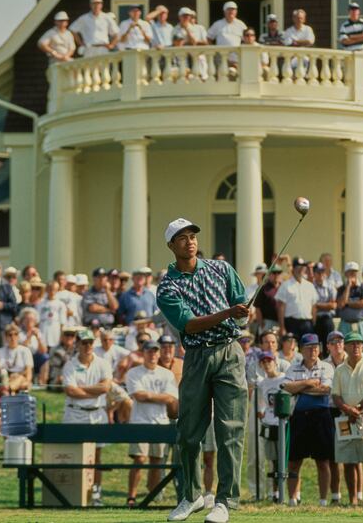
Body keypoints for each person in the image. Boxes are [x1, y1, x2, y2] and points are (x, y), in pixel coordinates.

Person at [157, 218, 248, 523]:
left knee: (230, 431)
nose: (190, 241)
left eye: (192, 236)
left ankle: (225, 501)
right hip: (195, 357)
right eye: (181, 238)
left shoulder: (221, 269)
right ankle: (192, 496)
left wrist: (243, 316)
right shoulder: (167, 287)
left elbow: (241, 305)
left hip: (229, 354)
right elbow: (190, 323)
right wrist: (228, 313)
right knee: (188, 432)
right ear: (171, 246)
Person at [331, 331, 363, 508]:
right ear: (345, 346)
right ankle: (353, 500)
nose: (356, 347)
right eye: (352, 343)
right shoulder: (339, 369)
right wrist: (348, 409)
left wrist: (357, 409)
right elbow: (336, 396)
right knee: (349, 460)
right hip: (347, 418)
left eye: (359, 343)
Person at [282, 334, 334, 507]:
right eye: (309, 347)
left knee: (323, 460)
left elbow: (325, 389)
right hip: (299, 417)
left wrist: (300, 388)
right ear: (301, 349)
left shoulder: (326, 367)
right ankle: (292, 499)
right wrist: (309, 382)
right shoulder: (292, 368)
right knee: (294, 461)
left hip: (321, 416)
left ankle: (323, 501)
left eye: (316, 347)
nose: (313, 350)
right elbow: (286, 387)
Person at [125, 340, 178, 507]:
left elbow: (171, 399)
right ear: (143, 353)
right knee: (139, 459)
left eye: (155, 351)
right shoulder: (134, 373)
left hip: (160, 422)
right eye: (149, 351)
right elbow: (138, 396)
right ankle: (131, 497)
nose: (153, 354)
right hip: (140, 422)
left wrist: (148, 396)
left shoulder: (167, 374)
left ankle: (152, 496)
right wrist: (158, 397)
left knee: (156, 461)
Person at [62, 327, 112, 505]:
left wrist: (81, 389)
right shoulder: (70, 365)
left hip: (97, 414)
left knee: (96, 456)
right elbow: (70, 391)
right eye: (84, 343)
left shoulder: (103, 363)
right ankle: (74, 491)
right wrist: (94, 391)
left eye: (90, 342)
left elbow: (106, 387)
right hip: (75, 413)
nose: (87, 346)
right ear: (77, 344)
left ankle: (96, 492)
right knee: (74, 454)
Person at [255, 351, 285, 502]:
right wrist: (261, 411)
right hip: (269, 423)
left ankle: (287, 493)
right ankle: (275, 493)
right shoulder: (262, 383)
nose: (267, 365)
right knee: (272, 461)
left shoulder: (284, 379)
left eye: (269, 361)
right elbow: (260, 400)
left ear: (275, 362)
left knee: (284, 460)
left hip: (282, 424)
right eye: (263, 362)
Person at [274, 257, 317, 341]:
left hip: (307, 323)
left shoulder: (310, 286)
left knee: (307, 348)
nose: (301, 268)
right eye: (298, 266)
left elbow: (314, 306)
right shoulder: (285, 285)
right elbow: (280, 307)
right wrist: (282, 327)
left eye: (303, 266)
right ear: (293, 268)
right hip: (291, 323)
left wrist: (313, 323)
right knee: (292, 349)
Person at [0, 323, 34, 394]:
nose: (13, 337)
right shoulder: (0, 351)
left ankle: (9, 389)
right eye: (10, 335)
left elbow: (29, 372)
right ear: (5, 337)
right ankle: (10, 390)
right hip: (5, 378)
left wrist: (18, 375)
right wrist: (10, 376)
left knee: (23, 382)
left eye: (16, 334)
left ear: (18, 336)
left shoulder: (25, 350)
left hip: (21, 378)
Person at [336, 262, 363, 337]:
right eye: (350, 272)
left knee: (362, 347)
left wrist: (347, 303)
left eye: (354, 272)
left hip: (360, 323)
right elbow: (341, 305)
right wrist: (348, 286)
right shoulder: (341, 289)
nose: (352, 274)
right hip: (345, 324)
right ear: (345, 274)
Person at [312, 263, 337, 347]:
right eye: (318, 272)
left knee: (329, 345)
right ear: (314, 273)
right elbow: (310, 305)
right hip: (315, 320)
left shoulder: (330, 286)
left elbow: (333, 305)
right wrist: (326, 305)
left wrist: (317, 305)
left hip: (327, 319)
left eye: (322, 272)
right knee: (316, 346)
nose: (320, 274)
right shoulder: (310, 286)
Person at [252, 265, 283, 332]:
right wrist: (261, 324)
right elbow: (257, 307)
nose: (276, 275)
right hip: (268, 322)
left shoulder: (284, 287)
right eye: (274, 273)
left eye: (279, 273)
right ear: (269, 275)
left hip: (282, 322)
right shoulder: (263, 288)